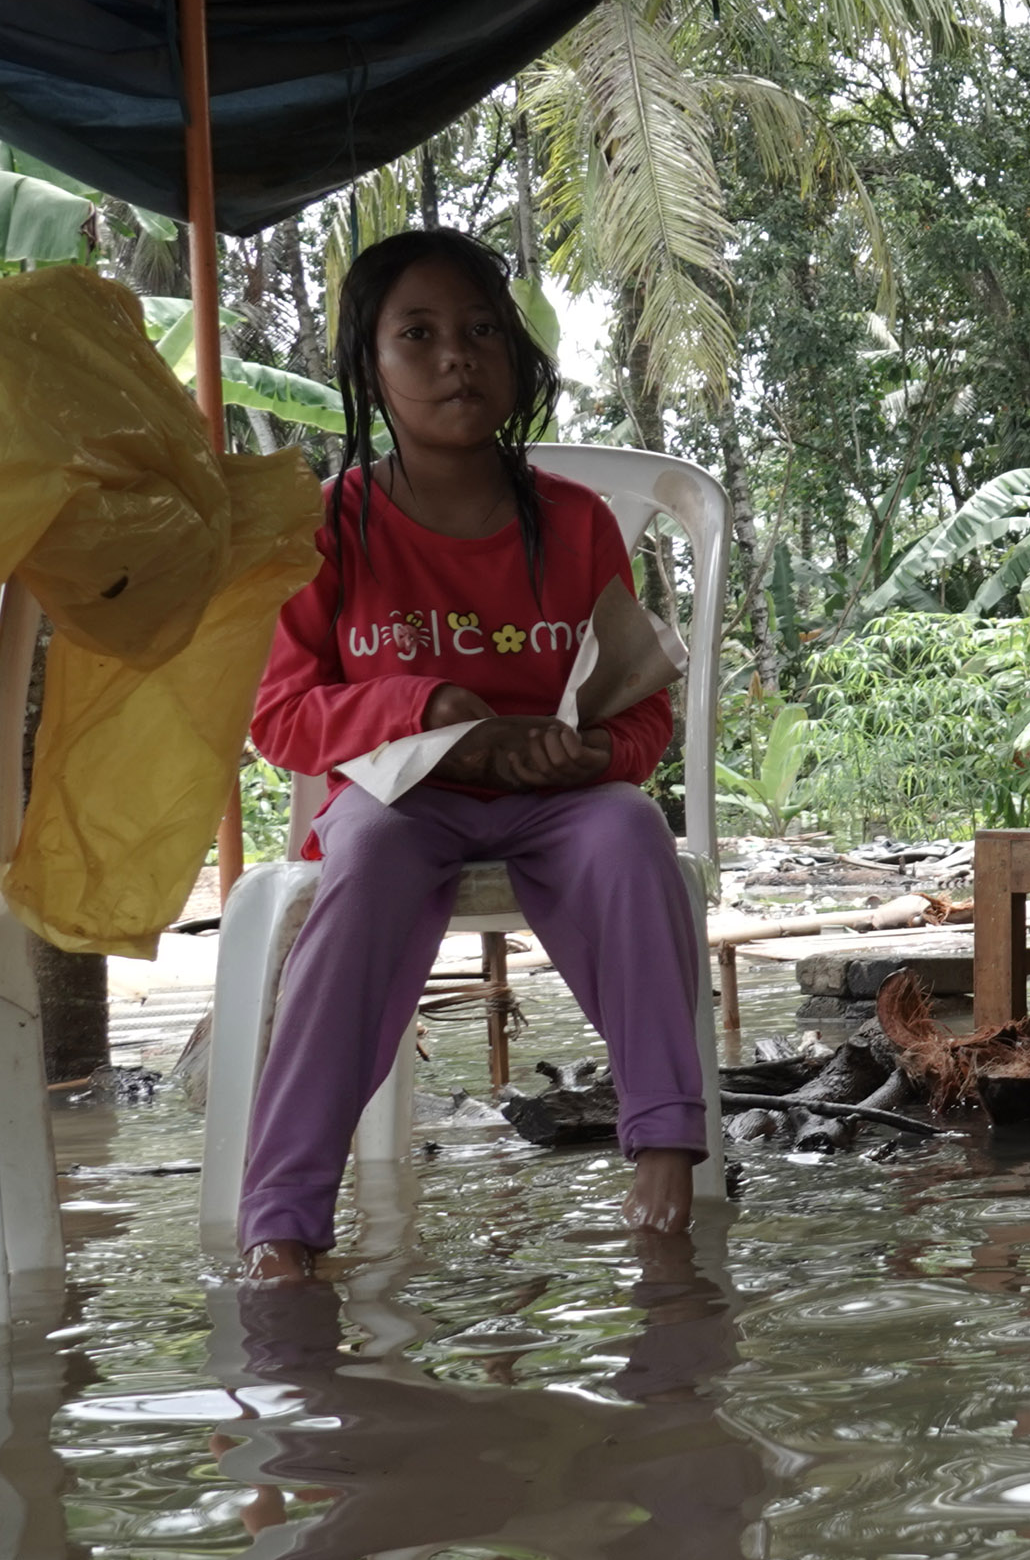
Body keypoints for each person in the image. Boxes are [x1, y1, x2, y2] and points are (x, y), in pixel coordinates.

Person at [235, 227, 707, 1279]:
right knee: (356, 859)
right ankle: (283, 1220)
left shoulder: (577, 527)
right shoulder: (329, 529)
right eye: (419, 334)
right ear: (369, 367)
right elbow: (281, 718)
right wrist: (424, 706)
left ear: (518, 356)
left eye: (482, 330)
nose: (457, 355)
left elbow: (640, 714)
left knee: (633, 830)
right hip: (402, 804)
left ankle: (667, 1150)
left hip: (559, 803)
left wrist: (591, 756)